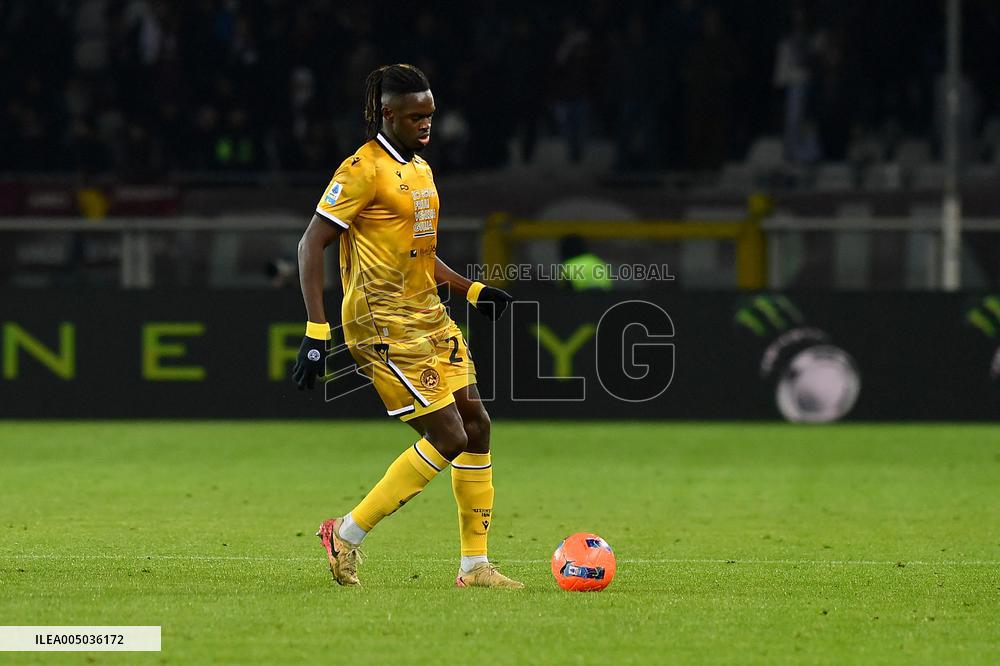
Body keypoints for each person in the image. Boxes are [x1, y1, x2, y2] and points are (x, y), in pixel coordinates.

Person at [292, 64, 521, 589]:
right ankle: (345, 533)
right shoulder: (361, 170)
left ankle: (474, 567)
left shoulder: (421, 170)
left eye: (430, 114)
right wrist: (316, 330)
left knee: (477, 427)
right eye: (416, 116)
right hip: (381, 322)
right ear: (387, 114)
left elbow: (420, 254)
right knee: (449, 434)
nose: (426, 124)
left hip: (428, 314)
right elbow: (310, 244)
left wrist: (472, 290)